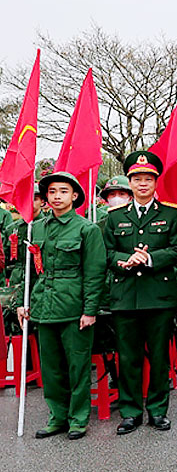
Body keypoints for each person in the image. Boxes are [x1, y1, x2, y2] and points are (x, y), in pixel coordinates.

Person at [102, 151, 177, 435]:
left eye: (147, 179)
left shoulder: (171, 214)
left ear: (155, 182)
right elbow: (107, 251)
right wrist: (123, 261)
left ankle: (158, 410)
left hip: (158, 295)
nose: (142, 184)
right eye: (137, 179)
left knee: (160, 356)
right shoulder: (114, 217)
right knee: (128, 357)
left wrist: (149, 259)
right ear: (129, 182)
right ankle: (130, 411)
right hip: (125, 296)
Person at [18, 172, 106, 440]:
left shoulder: (86, 229)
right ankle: (57, 416)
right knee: (51, 368)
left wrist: (90, 310)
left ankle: (78, 418)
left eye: (63, 191)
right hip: (44, 305)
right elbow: (29, 269)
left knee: (77, 366)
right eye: (52, 192)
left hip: (73, 307)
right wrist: (25, 301)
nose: (57, 196)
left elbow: (94, 272)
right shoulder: (37, 228)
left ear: (75, 196)